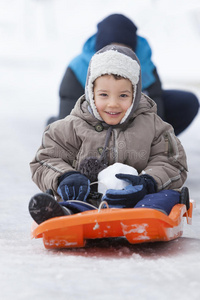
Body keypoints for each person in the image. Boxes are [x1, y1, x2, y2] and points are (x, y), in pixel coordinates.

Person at [29, 44, 188, 225]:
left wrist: (147, 182)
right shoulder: (70, 127)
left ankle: (147, 219)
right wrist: (65, 176)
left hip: (140, 201)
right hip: (91, 203)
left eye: (123, 96)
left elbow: (172, 162)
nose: (113, 104)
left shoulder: (154, 126)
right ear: (91, 92)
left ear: (135, 95)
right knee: (75, 202)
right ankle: (65, 215)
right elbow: (44, 160)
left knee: (167, 196)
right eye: (104, 95)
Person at [47, 14, 199, 136]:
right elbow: (69, 121)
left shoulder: (145, 64)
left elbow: (156, 108)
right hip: (94, 119)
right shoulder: (78, 68)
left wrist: (154, 144)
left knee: (186, 102)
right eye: (112, 50)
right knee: (60, 130)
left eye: (123, 50)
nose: (118, 57)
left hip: (130, 117)